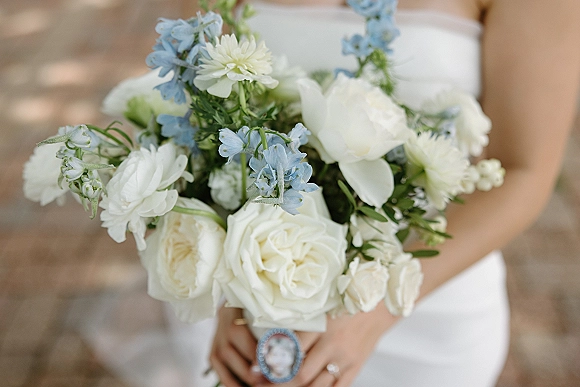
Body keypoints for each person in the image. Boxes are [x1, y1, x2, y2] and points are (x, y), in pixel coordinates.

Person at [207, 0, 580, 386]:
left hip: (427, 314)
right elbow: (191, 119)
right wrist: (233, 283)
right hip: (241, 318)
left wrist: (377, 304)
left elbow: (524, 171)